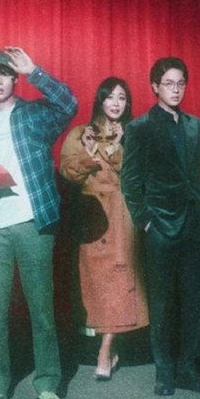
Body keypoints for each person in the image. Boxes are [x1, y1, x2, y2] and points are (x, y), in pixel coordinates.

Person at [0, 47, 77, 399]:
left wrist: (34, 71)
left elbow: (69, 105)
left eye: (4, 73)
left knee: (41, 308)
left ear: (14, 78)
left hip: (32, 222)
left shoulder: (34, 115)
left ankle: (47, 383)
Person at [121, 57, 200, 396]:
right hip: (160, 228)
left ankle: (187, 370)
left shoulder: (197, 126)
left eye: (181, 83)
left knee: (195, 302)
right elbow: (130, 183)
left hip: (195, 227)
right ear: (155, 86)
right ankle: (164, 373)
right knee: (162, 303)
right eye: (169, 84)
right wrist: (146, 222)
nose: (175, 90)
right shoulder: (139, 128)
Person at [60, 77, 148, 380]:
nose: (116, 103)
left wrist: (120, 145)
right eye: (110, 97)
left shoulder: (134, 133)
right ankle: (108, 347)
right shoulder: (81, 133)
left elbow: (140, 174)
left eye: (122, 98)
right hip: (91, 217)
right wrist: (88, 153)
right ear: (100, 100)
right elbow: (69, 172)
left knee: (120, 282)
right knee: (97, 286)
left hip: (121, 215)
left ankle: (105, 350)